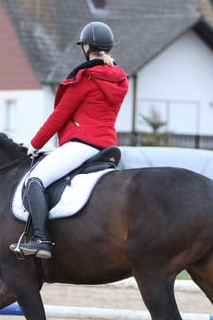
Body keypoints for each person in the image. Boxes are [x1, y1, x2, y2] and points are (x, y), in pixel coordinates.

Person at [11, 21, 129, 259]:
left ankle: (42, 238)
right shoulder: (119, 79)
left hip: (82, 143)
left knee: (35, 179)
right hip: (107, 145)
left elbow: (59, 116)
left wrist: (34, 145)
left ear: (87, 47)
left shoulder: (86, 78)